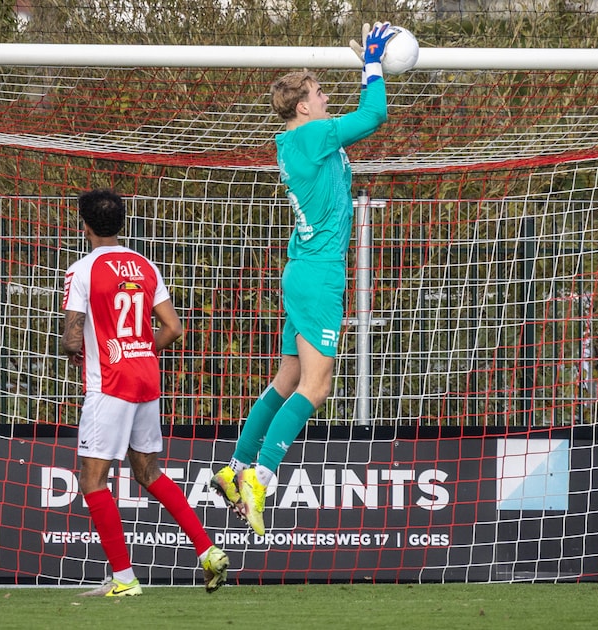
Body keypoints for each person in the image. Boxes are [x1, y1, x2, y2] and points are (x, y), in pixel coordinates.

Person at [208, 22, 393, 536]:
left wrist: (366, 70)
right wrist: (374, 66)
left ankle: (235, 468)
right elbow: (375, 114)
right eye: (318, 91)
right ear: (304, 107)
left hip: (302, 269)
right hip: (319, 276)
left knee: (285, 381)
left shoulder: (294, 141)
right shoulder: (311, 136)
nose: (325, 96)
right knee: (316, 386)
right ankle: (261, 476)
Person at [62, 188, 229, 597]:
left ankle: (123, 579)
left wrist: (87, 351)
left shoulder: (81, 270)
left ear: (84, 225)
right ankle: (208, 551)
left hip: (111, 384)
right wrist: (137, 346)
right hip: (147, 379)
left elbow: (70, 338)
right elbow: (173, 328)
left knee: (93, 480)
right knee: (148, 471)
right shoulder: (144, 264)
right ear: (121, 223)